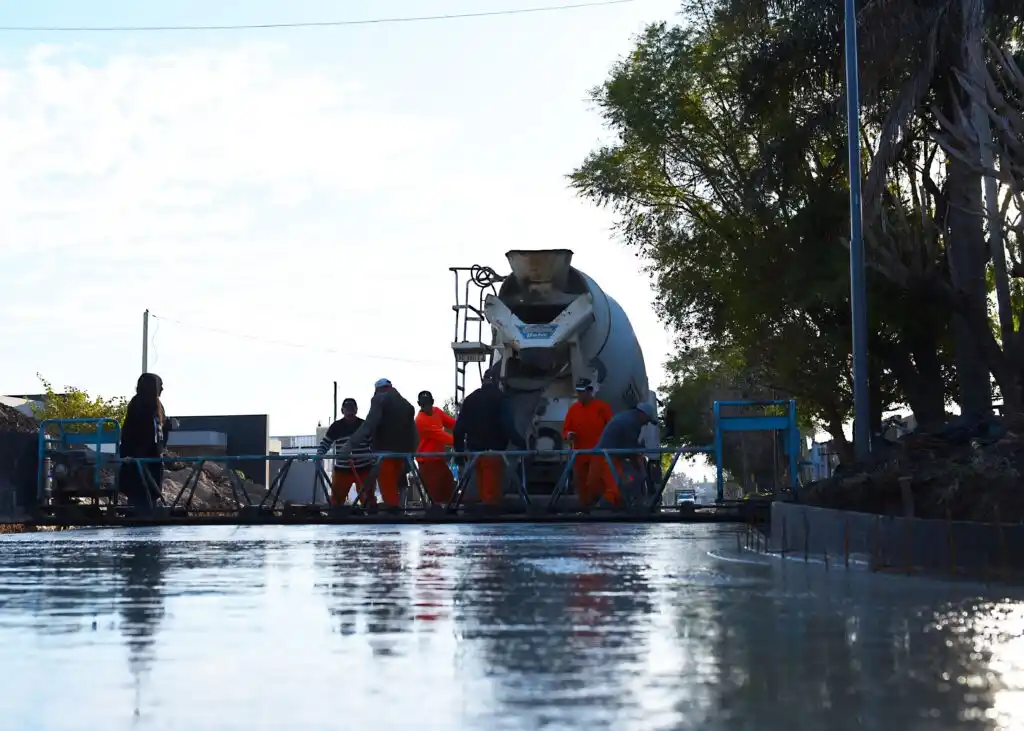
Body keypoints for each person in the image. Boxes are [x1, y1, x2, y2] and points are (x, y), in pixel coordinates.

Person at [335, 378, 417, 510]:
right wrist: (412, 452)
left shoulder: (379, 399)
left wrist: (349, 445)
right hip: (403, 453)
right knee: (397, 482)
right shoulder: (405, 404)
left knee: (387, 484)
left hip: (385, 452)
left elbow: (369, 424)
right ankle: (399, 509)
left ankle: (392, 510)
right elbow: (413, 430)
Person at [452, 368, 527, 508]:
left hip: (474, 455)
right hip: (493, 453)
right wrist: (521, 443)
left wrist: (459, 452)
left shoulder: (470, 399)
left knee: (480, 490)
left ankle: (479, 515)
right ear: (497, 381)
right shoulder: (501, 399)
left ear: (483, 380)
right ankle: (489, 514)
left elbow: (458, 429)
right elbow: (506, 425)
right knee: (491, 497)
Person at [119, 373, 173, 515]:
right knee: (139, 495)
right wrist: (137, 453)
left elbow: (161, 431)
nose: (162, 389)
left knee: (152, 494)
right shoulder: (138, 404)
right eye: (160, 386)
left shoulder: (158, 406)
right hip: (138, 459)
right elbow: (133, 432)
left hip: (153, 459)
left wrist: (168, 427)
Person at [589, 402, 659, 510]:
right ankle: (600, 511)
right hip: (605, 458)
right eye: (647, 420)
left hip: (605, 456)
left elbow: (629, 446)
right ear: (643, 415)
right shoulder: (632, 423)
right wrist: (640, 470)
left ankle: (611, 508)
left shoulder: (627, 417)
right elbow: (631, 449)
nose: (646, 424)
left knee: (618, 484)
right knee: (615, 487)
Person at [561, 379, 614, 510]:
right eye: (578, 392)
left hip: (598, 454)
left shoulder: (602, 407)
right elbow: (565, 431)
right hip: (579, 455)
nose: (579, 395)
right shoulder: (573, 409)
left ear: (590, 391)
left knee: (596, 482)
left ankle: (601, 507)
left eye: (582, 392)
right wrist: (569, 435)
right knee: (581, 484)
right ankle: (585, 509)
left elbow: (612, 428)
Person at [317, 397, 374, 506]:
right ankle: (337, 513)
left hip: (364, 469)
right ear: (342, 410)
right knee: (336, 500)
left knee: (368, 499)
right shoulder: (336, 426)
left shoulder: (364, 425)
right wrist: (319, 455)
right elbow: (326, 442)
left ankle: (370, 512)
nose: (349, 412)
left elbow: (373, 444)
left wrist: (376, 461)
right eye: (347, 409)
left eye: (352, 408)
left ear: (356, 410)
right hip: (342, 470)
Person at [414, 391, 456, 505]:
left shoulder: (437, 411)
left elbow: (452, 423)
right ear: (419, 404)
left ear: (432, 402)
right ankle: (437, 511)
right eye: (424, 405)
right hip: (427, 461)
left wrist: (463, 428)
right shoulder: (420, 420)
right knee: (435, 493)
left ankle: (448, 510)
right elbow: (440, 435)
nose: (427, 407)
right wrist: (459, 442)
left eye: (429, 403)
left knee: (449, 484)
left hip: (439, 459)